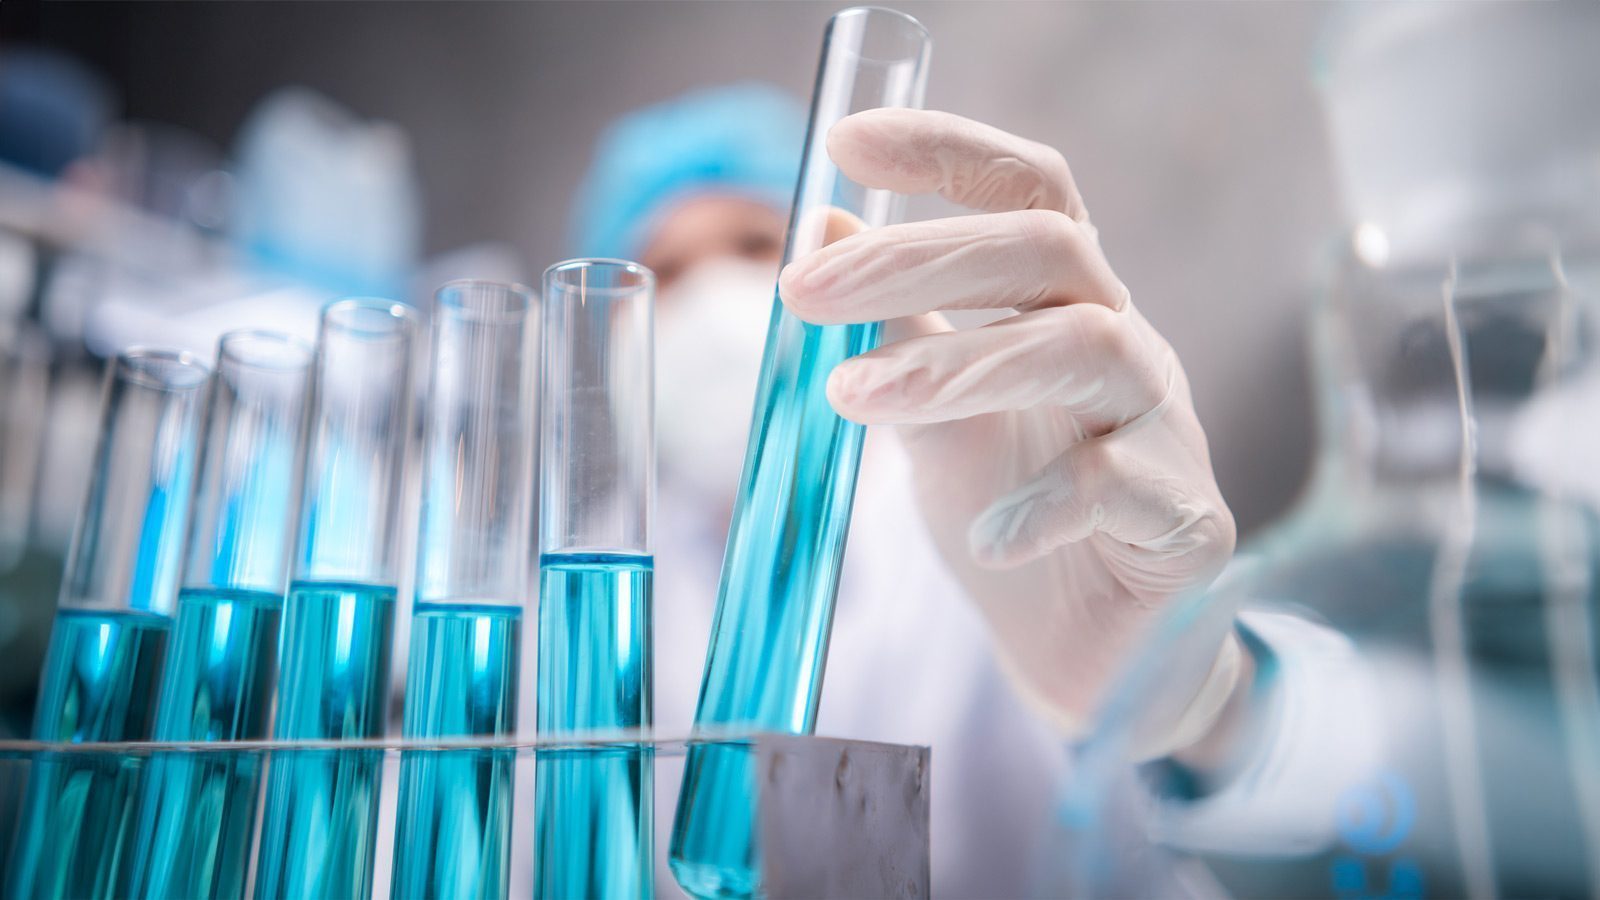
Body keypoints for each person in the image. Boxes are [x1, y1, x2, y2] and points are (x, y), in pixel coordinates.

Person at [573, 83, 1246, 896]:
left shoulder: (1006, 501)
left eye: (755, 243)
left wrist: (1201, 705)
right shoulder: (578, 590)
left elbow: (1349, 797)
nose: (709, 297)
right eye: (664, 272)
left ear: (829, 254)